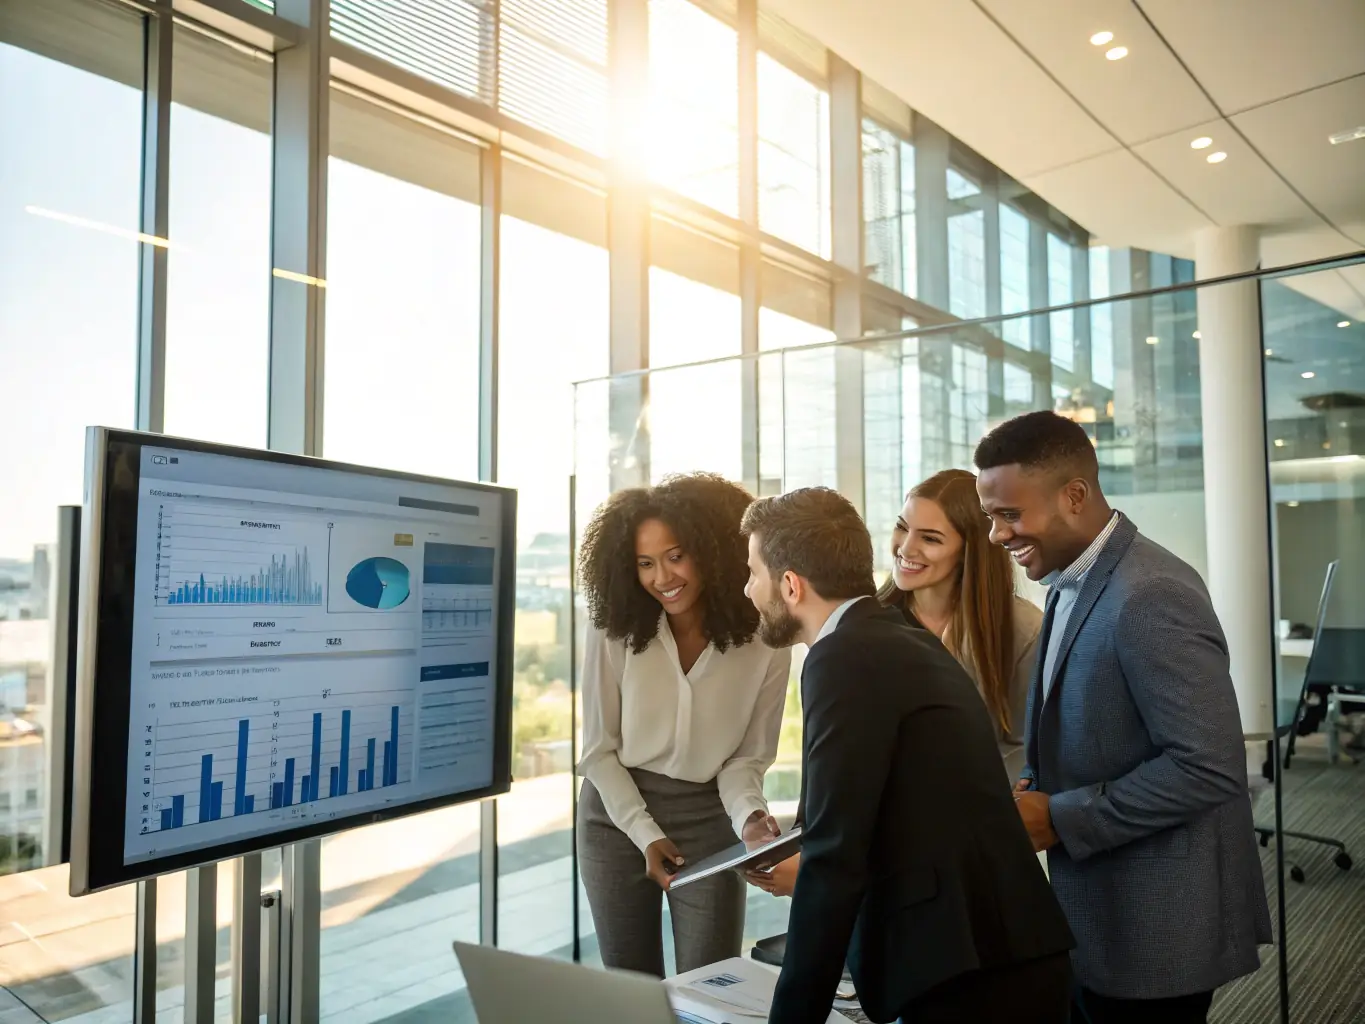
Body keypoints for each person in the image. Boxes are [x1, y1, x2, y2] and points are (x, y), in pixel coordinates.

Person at [974, 410, 1272, 1024]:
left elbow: (1210, 767)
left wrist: (1058, 815)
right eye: (990, 516)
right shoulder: (1066, 580)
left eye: (1009, 514)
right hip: (1094, 911)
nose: (997, 535)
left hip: (1155, 928)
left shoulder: (1151, 593)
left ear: (1075, 496)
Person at [740, 487, 1074, 1024]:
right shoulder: (891, 636)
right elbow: (875, 801)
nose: (748, 590)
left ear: (790, 585)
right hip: (994, 954)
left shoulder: (844, 657)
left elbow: (837, 856)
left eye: (753, 573)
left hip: (969, 972)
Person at [747, 468, 1044, 900]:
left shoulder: (1021, 630)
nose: (906, 548)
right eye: (903, 528)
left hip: (971, 849)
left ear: (972, 550)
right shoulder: (863, 624)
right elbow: (835, 765)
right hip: (884, 859)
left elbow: (1024, 754)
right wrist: (807, 849)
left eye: (930, 538)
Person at [575, 472, 792, 977]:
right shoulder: (614, 626)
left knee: (713, 983)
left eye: (676, 556)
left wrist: (751, 820)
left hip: (709, 818)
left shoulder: (765, 638)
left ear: (713, 551)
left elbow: (746, 760)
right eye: (645, 563)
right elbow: (597, 752)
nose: (662, 577)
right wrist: (644, 832)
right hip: (615, 817)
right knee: (632, 990)